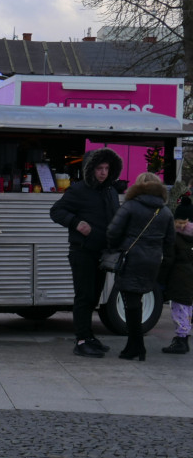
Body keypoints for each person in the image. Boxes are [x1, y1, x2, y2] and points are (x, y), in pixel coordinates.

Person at [50, 148, 123, 358]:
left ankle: (89, 336)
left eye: (107, 168)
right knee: (84, 297)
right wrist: (76, 222)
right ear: (90, 169)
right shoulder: (78, 190)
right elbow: (56, 211)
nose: (103, 172)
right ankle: (81, 340)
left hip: (103, 253)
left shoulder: (110, 191)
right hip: (82, 252)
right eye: (99, 168)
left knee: (94, 297)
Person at [106, 171, 175, 361]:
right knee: (137, 300)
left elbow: (113, 231)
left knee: (131, 302)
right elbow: (170, 241)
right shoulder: (165, 211)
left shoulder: (130, 206)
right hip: (152, 260)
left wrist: (116, 248)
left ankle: (136, 347)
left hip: (132, 258)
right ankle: (135, 346)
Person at [159, 196, 193, 354]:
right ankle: (183, 338)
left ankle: (181, 340)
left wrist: (161, 279)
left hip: (179, 280)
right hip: (189, 282)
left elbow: (168, 261)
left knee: (179, 310)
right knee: (188, 310)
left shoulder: (175, 238)